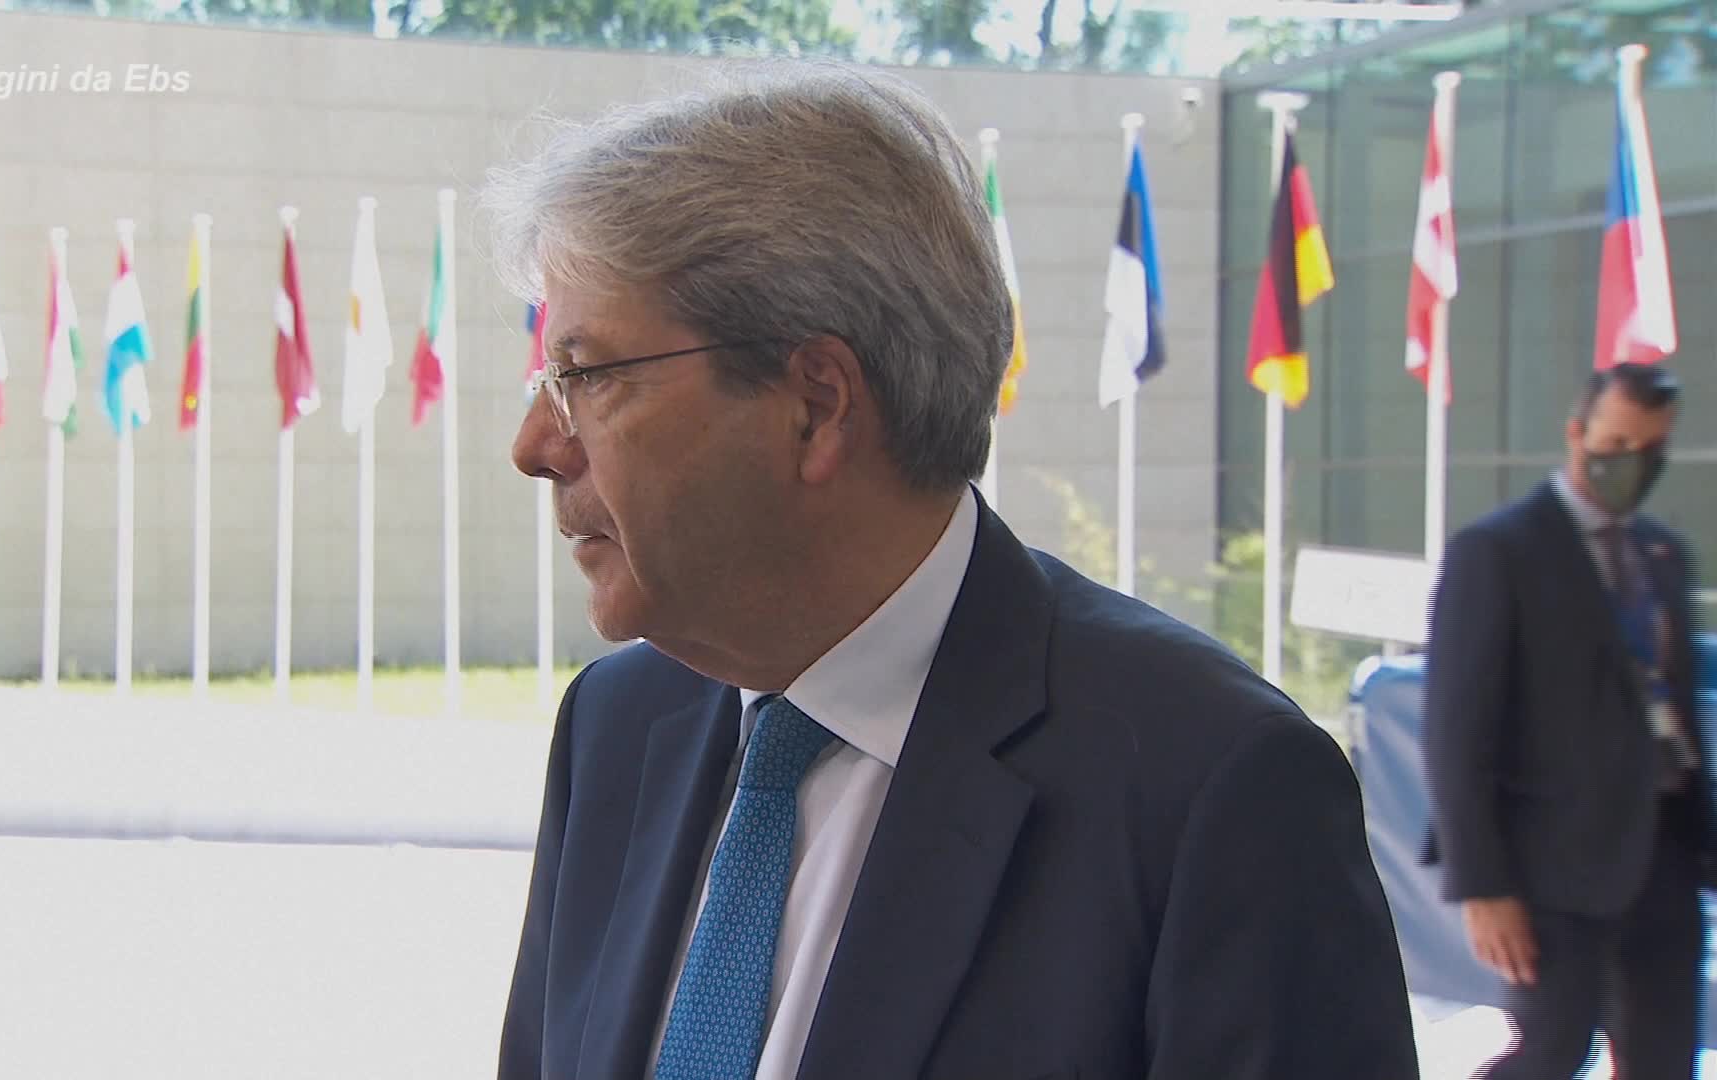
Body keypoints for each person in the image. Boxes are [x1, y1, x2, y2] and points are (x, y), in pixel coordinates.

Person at [489, 62, 1417, 1080]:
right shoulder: (616, 727)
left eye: (586, 377)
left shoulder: (1216, 794)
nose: (535, 445)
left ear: (816, 406)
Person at [1424, 361, 1711, 1077]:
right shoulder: (1500, 553)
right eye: (1616, 444)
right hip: (1551, 865)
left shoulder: (1662, 556)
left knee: (1664, 1053)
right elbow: (1457, 730)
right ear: (1577, 434)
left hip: (1663, 851)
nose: (1631, 462)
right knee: (1553, 1048)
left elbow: (1676, 708)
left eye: (1650, 448)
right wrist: (1482, 884)